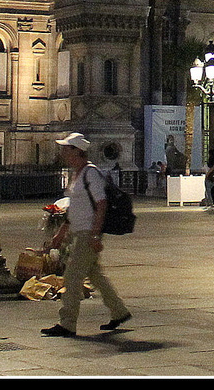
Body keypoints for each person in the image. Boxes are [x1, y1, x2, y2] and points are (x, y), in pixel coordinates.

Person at [41, 133, 132, 338]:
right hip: (79, 232)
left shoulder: (91, 174)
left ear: (77, 151)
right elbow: (75, 209)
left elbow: (101, 204)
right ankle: (119, 311)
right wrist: (60, 234)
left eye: (66, 148)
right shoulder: (78, 174)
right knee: (96, 275)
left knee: (72, 278)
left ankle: (67, 323)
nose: (63, 152)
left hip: (87, 233)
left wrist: (95, 235)